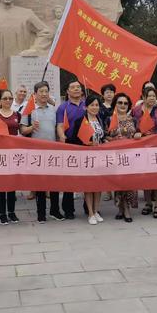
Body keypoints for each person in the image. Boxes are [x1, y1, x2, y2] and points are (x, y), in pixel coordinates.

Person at [20, 81, 65, 223]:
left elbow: (58, 128)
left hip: (52, 151)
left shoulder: (54, 110)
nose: (44, 94)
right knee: (39, 184)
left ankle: (55, 210)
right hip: (36, 153)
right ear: (35, 94)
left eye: (46, 91)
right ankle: (41, 213)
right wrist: (31, 127)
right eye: (41, 91)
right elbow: (22, 130)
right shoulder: (29, 110)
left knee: (54, 184)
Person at [68, 94, 106, 225]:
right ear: (86, 107)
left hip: (100, 157)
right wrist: (87, 144)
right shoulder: (80, 121)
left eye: (97, 105)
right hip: (86, 158)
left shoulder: (100, 119)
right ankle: (90, 213)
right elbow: (73, 139)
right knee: (89, 186)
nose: (95, 107)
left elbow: (103, 135)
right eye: (92, 105)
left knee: (99, 185)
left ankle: (96, 210)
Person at [132, 86, 157, 218]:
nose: (152, 98)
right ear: (144, 97)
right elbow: (132, 125)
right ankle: (148, 203)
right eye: (150, 96)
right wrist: (136, 133)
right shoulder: (136, 111)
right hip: (142, 147)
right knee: (145, 176)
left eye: (154, 96)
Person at [106, 92, 141, 222]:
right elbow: (105, 136)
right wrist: (113, 138)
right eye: (120, 102)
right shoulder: (109, 119)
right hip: (115, 156)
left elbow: (139, 133)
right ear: (115, 104)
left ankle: (126, 209)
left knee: (129, 183)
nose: (123, 105)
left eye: (125, 103)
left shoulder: (133, 119)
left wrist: (138, 135)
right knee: (118, 183)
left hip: (130, 156)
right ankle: (120, 208)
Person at [56, 79, 86, 219]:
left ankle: (89, 207)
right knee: (70, 178)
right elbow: (60, 125)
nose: (76, 89)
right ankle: (68, 209)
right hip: (70, 143)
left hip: (86, 144)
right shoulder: (63, 107)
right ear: (67, 91)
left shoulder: (87, 105)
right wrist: (62, 137)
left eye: (78, 87)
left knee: (88, 177)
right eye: (73, 87)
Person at [0, 89, 20, 225]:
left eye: (10, 98)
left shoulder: (17, 115)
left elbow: (22, 131)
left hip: (13, 153)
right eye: (5, 98)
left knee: (12, 183)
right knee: (1, 184)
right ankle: (2, 213)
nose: (8, 101)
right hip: (0, 154)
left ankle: (12, 212)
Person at [99, 83, 116, 202]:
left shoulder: (118, 105)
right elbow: (99, 124)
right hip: (106, 139)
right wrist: (105, 137)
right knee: (106, 165)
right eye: (107, 92)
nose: (109, 94)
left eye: (111, 92)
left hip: (117, 139)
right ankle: (108, 190)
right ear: (103, 94)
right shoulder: (100, 108)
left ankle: (116, 189)